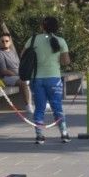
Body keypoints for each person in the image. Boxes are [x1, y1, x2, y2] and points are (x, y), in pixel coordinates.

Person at [25, 17, 72, 145]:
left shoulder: (33, 40)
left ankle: (39, 135)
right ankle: (64, 133)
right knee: (57, 107)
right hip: (54, 79)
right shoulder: (60, 41)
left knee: (39, 108)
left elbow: (23, 55)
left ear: (42, 26)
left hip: (36, 79)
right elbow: (66, 61)